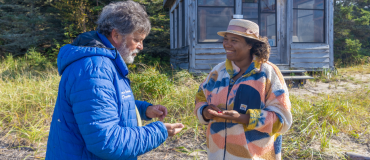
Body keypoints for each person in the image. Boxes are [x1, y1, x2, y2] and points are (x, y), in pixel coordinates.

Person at [46, 1, 184, 159]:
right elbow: (107, 142)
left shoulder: (104, 62)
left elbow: (105, 106)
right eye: (137, 39)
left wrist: (144, 110)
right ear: (116, 35)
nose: (141, 46)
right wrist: (159, 131)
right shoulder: (94, 69)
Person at [194, 19, 292, 160]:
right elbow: (200, 99)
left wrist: (244, 118)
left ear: (250, 44)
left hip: (255, 155)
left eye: (234, 40)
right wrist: (204, 111)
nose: (227, 44)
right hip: (216, 154)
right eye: (226, 39)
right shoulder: (217, 72)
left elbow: (283, 120)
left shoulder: (268, 74)